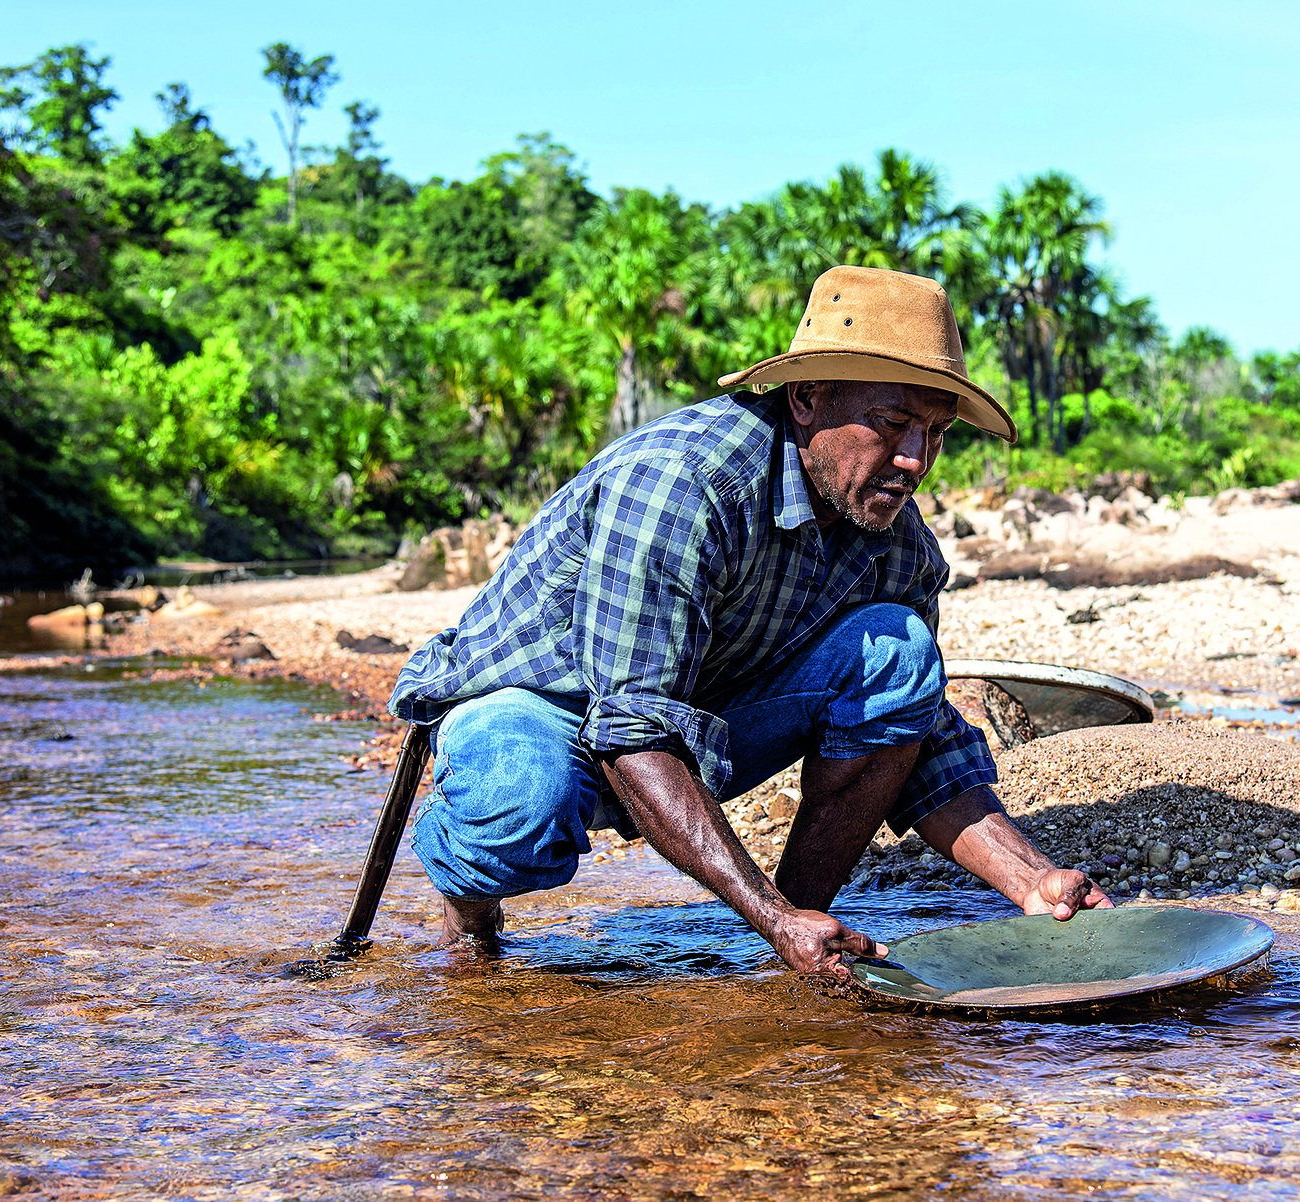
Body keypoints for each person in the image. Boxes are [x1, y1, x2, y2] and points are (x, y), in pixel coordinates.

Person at [390, 265, 1110, 977]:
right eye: (894, 423)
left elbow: (915, 733)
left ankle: (802, 934)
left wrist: (1032, 880)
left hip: (692, 717)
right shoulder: (682, 486)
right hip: (541, 704)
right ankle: (469, 913)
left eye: (935, 431)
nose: (916, 459)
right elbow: (633, 730)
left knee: (901, 654)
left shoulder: (895, 539)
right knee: (520, 809)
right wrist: (762, 912)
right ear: (806, 398)